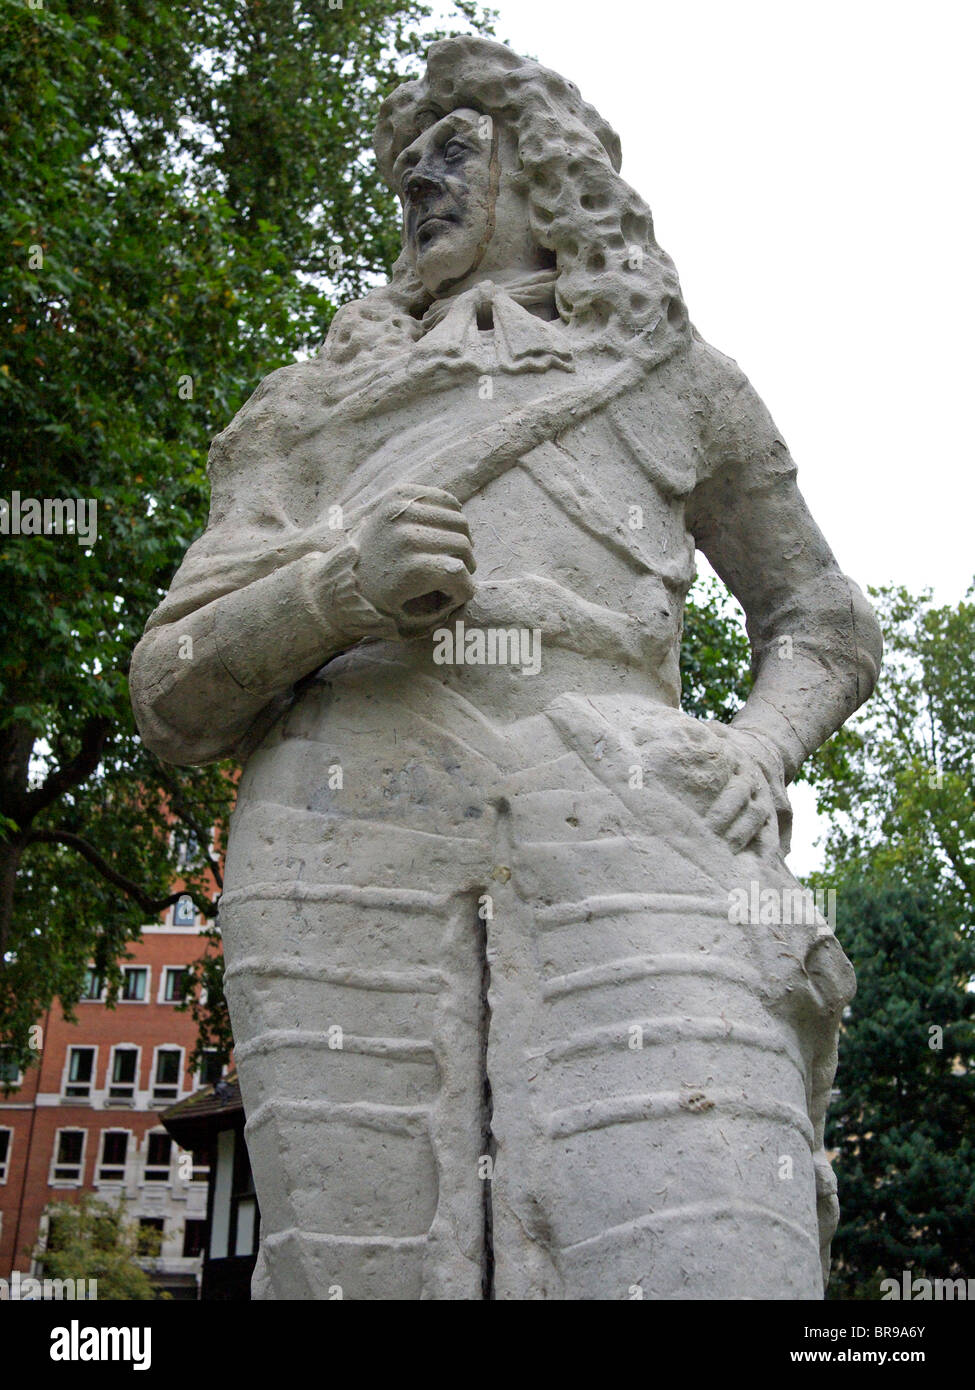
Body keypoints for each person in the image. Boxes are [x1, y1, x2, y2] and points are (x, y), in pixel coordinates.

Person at [130, 37, 882, 1300]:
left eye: (452, 152)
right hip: (346, 823)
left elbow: (823, 618)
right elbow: (172, 691)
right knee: (357, 1274)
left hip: (632, 806)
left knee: (714, 1238)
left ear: (548, 172)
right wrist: (337, 589)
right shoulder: (303, 412)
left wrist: (760, 744)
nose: (419, 184)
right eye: (403, 167)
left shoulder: (681, 383)